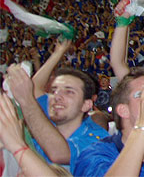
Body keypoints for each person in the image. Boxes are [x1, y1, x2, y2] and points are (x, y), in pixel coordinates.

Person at [5, 40, 108, 172]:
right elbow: (34, 89)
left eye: (69, 91)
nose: (57, 96)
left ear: (86, 105)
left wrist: (26, 100)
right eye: (53, 91)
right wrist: (58, 53)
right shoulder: (47, 120)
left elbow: (59, 154)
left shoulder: (97, 138)